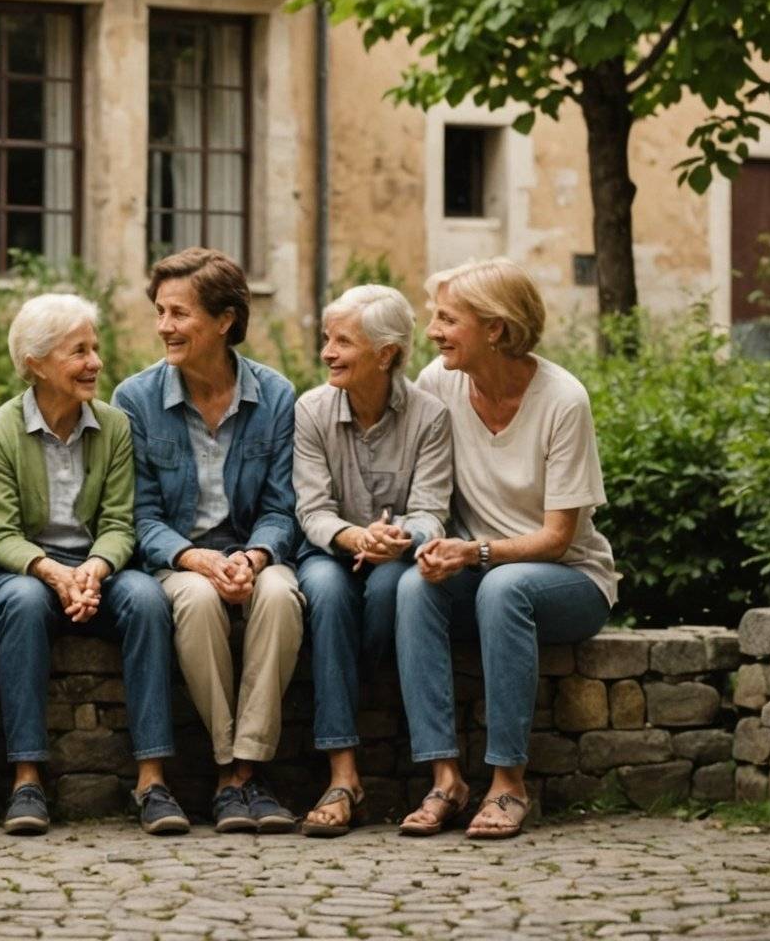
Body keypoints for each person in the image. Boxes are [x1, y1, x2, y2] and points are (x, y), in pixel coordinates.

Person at [400, 258, 617, 840]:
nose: (433, 331)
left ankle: (508, 782)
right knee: (413, 585)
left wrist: (474, 554)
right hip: (485, 570)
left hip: (569, 579)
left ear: (494, 329)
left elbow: (558, 537)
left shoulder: (562, 400)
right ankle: (446, 778)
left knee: (503, 585)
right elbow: (424, 486)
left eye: (448, 319)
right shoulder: (438, 383)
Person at [0, 293, 188, 836]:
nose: (95, 362)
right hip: (26, 572)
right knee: (23, 605)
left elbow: (121, 522)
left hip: (100, 568)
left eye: (94, 348)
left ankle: (152, 779)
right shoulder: (1, 430)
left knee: (146, 599)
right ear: (36, 363)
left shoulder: (114, 426)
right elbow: (0, 533)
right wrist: (52, 572)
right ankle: (27, 777)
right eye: (78, 352)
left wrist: (92, 570)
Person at [113, 247, 301, 833]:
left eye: (179, 313)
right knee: (193, 602)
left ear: (224, 321)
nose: (165, 327)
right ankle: (227, 772)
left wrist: (252, 555)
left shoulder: (276, 397)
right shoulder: (136, 400)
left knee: (279, 597)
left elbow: (283, 507)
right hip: (177, 559)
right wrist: (194, 558)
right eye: (160, 312)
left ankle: (249, 768)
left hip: (252, 550)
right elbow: (139, 516)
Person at [290, 284, 452, 836]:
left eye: (343, 341)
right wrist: (356, 538)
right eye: (326, 340)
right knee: (328, 593)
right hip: (329, 554)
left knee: (388, 589)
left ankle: (345, 674)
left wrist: (399, 537)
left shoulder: (430, 417)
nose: (327, 352)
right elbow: (311, 511)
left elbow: (432, 509)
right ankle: (342, 775)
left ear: (386, 354)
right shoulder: (310, 410)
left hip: (395, 557)